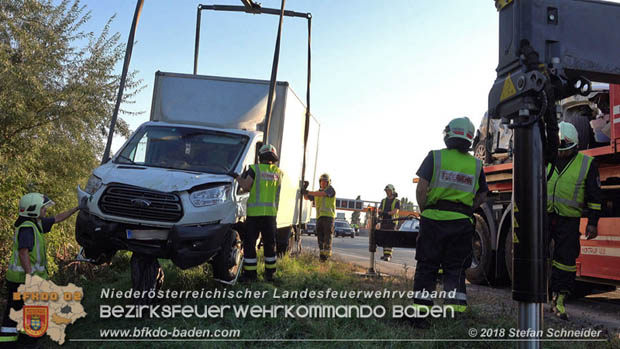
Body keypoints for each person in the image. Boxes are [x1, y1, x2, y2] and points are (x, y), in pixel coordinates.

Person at [413, 117, 488, 319]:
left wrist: (426, 209)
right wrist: (465, 208)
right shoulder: (476, 165)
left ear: (448, 134)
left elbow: (421, 188)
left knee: (427, 266)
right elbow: (482, 195)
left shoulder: (435, 157)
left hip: (433, 221)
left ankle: (421, 314)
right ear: (470, 139)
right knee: (455, 269)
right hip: (461, 223)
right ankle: (454, 314)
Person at [1, 193, 81, 346]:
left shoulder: (34, 224)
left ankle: (8, 343)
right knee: (32, 312)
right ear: (34, 209)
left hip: (17, 279)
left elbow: (57, 218)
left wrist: (77, 208)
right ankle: (28, 343)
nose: (45, 211)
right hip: (25, 280)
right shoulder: (27, 228)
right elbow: (23, 252)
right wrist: (30, 276)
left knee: (13, 312)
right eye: (43, 208)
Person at [547, 121, 601, 320]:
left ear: (575, 146)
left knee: (566, 260)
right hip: (545, 216)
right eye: (558, 149)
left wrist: (593, 222)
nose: (560, 153)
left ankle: (559, 300)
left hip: (568, 219)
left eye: (565, 149)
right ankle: (538, 296)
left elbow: (595, 197)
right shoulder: (547, 157)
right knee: (536, 255)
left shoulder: (586, 163)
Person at [233, 144, 283, 282]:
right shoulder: (278, 173)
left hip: (255, 215)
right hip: (271, 215)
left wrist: (237, 176)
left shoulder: (255, 170)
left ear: (260, 156)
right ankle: (270, 274)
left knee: (250, 243)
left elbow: (245, 186)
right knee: (270, 244)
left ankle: (250, 275)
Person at [303, 174, 336, 261]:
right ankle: (322, 258)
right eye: (322, 181)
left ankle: (327, 258)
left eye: (325, 181)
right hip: (319, 218)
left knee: (327, 238)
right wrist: (304, 189)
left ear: (328, 182)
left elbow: (322, 194)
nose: (323, 183)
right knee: (320, 239)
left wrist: (308, 192)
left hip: (328, 218)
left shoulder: (331, 190)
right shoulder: (317, 192)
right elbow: (306, 197)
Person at [378, 184, 400, 261]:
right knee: (384, 239)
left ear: (392, 191)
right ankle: (385, 255)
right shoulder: (383, 201)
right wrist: (385, 213)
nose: (387, 192)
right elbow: (379, 210)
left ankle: (388, 255)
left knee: (390, 239)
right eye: (386, 191)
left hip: (392, 222)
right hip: (384, 221)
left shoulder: (397, 201)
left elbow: (394, 212)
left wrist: (385, 213)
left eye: (389, 191)